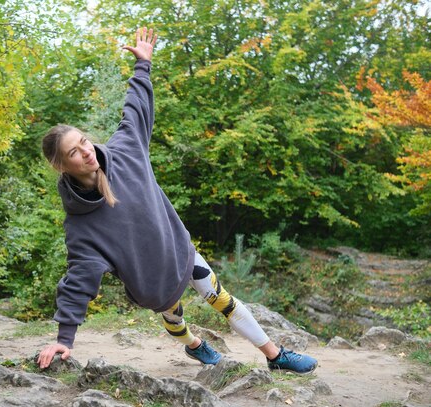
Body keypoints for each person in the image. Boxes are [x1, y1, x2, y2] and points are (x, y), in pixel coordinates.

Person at [37, 26, 317, 375]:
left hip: (178, 249)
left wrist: (143, 66)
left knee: (221, 298)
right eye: (73, 152)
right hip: (150, 281)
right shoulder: (81, 226)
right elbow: (79, 278)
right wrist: (65, 338)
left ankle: (275, 356)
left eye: (84, 142)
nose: (85, 152)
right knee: (174, 317)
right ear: (62, 165)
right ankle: (197, 347)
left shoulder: (126, 151)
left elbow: (135, 109)